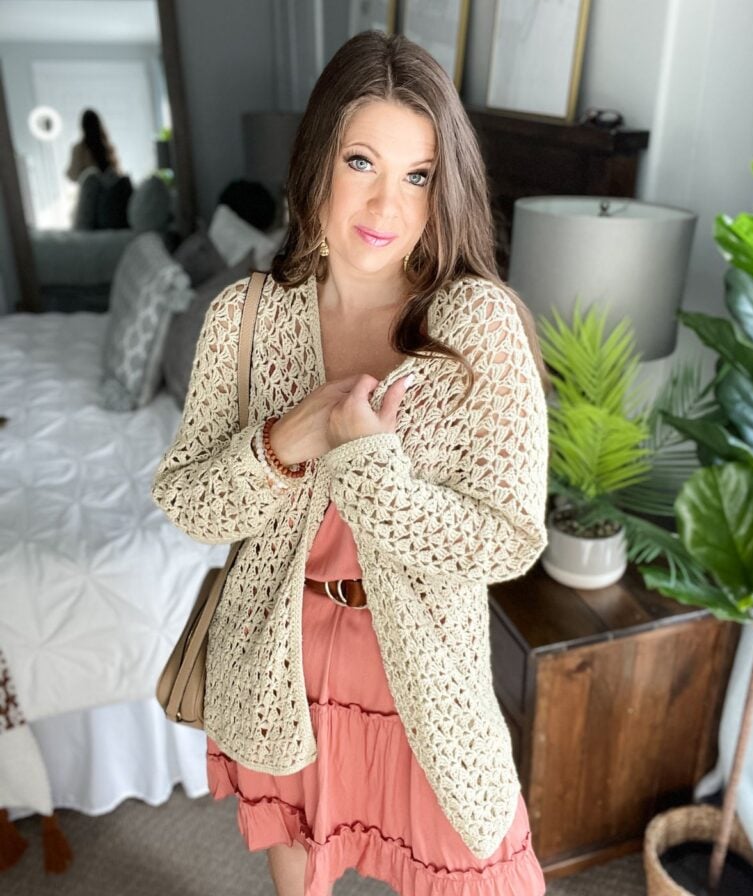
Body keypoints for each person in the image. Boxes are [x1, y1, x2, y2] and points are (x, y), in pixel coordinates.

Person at [151, 30, 550, 896]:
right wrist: (287, 443)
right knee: (299, 873)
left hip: (424, 679)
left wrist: (368, 466)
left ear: (444, 188)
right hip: (276, 655)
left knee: (484, 875)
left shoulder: (475, 325)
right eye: (361, 160)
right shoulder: (247, 315)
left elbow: (508, 540)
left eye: (417, 175)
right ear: (316, 160)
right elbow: (191, 503)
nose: (387, 204)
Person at [65, 108, 121, 182]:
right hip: (110, 190)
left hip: (90, 191)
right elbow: (117, 173)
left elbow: (73, 175)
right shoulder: (108, 148)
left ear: (83, 127)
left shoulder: (79, 149)